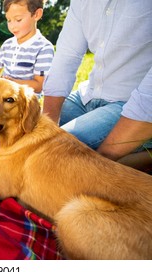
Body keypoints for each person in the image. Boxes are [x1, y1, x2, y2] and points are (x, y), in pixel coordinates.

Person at [42, 0, 152, 170]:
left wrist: (100, 160)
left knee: (57, 152)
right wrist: (44, 130)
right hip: (88, 96)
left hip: (131, 105)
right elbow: (66, 57)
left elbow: (148, 99)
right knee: (23, 131)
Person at [0, 0, 54, 95]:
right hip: (1, 96)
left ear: (37, 14)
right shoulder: (7, 45)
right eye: (9, 20)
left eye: (18, 19)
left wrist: (11, 83)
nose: (12, 26)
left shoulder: (44, 48)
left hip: (26, 101)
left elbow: (39, 86)